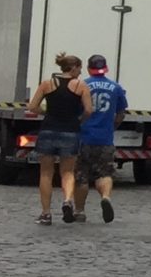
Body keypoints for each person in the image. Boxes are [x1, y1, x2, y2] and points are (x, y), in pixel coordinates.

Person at [29, 53, 88, 226]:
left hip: (48, 130)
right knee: (68, 172)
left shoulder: (47, 84)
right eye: (79, 68)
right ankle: (68, 200)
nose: (80, 72)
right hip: (70, 131)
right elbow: (89, 110)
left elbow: (32, 106)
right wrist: (79, 120)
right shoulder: (80, 86)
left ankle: (46, 213)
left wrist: (46, 113)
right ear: (74, 67)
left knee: (46, 173)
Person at [73, 53, 126, 225]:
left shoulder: (82, 85)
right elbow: (121, 114)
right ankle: (105, 197)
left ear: (89, 69)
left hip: (84, 137)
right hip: (105, 138)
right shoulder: (116, 88)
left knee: (81, 176)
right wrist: (112, 127)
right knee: (105, 173)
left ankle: (79, 211)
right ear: (106, 68)